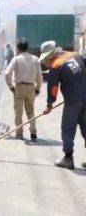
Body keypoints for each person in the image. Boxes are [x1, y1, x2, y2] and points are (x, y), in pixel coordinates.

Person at [39, 40, 86, 169]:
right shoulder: (76, 55)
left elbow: (53, 88)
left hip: (73, 102)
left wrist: (49, 104)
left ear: (49, 55)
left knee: (68, 128)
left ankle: (68, 159)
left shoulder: (55, 65)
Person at [5, 38, 42, 140]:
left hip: (19, 88)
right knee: (30, 111)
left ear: (18, 48)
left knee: (18, 112)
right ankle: (33, 131)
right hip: (31, 88)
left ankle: (19, 133)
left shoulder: (16, 59)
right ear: (27, 48)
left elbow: (7, 73)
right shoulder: (35, 59)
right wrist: (38, 87)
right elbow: (39, 76)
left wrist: (11, 87)